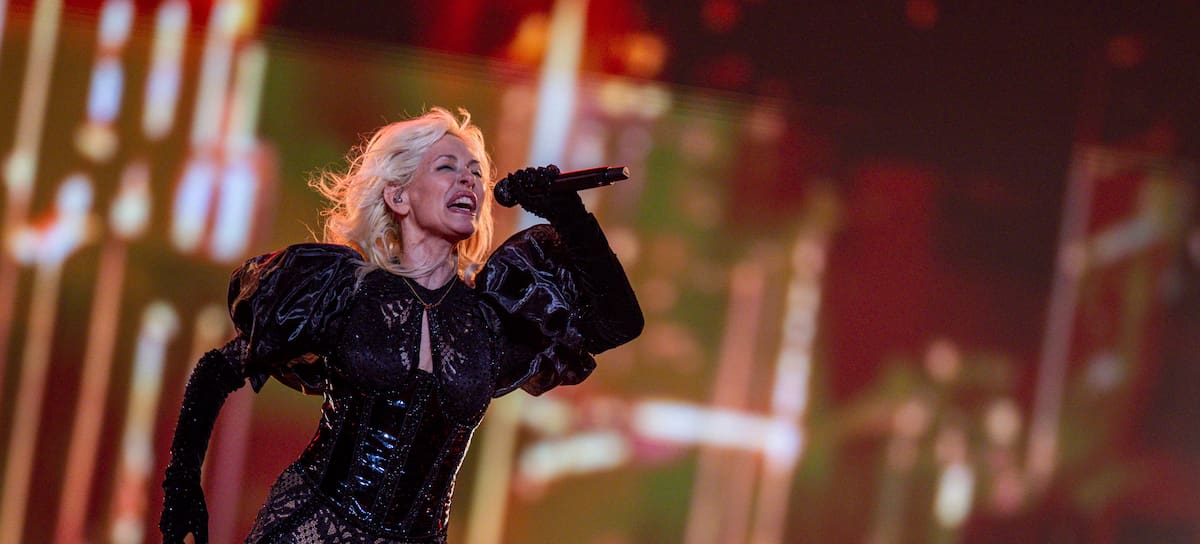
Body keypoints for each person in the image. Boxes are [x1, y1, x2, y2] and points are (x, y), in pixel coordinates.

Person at [159, 107, 643, 543]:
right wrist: (182, 486)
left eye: (476, 173)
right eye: (447, 167)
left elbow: (619, 323)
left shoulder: (491, 319)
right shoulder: (346, 289)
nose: (468, 181)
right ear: (398, 196)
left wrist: (565, 211)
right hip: (313, 528)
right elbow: (217, 370)